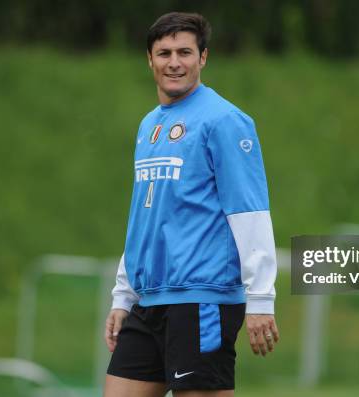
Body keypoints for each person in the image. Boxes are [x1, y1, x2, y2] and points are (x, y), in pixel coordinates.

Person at [103, 12, 279, 397]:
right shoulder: (150, 125)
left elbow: (249, 211)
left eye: (185, 52)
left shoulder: (225, 121)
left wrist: (261, 298)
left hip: (202, 300)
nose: (174, 62)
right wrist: (124, 294)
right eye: (164, 53)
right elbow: (146, 216)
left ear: (203, 58)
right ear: (150, 59)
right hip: (150, 302)